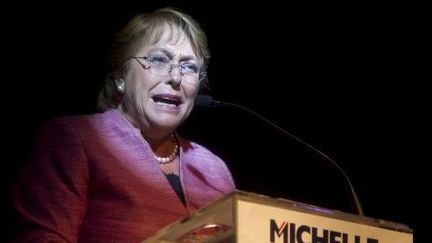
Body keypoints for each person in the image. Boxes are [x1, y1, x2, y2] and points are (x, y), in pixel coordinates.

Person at [10, 7, 235, 242]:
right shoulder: (77, 139)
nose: (176, 78)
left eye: (189, 67)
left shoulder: (214, 169)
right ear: (120, 76)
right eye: (158, 60)